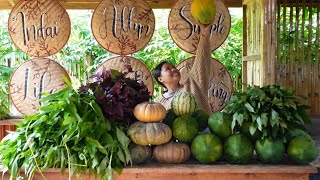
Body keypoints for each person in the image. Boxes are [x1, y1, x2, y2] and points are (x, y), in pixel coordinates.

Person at [153, 23, 213, 113]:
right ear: (160, 79)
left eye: (173, 67)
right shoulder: (157, 103)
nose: (174, 69)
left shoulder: (192, 84)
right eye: (168, 69)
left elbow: (202, 62)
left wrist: (204, 34)